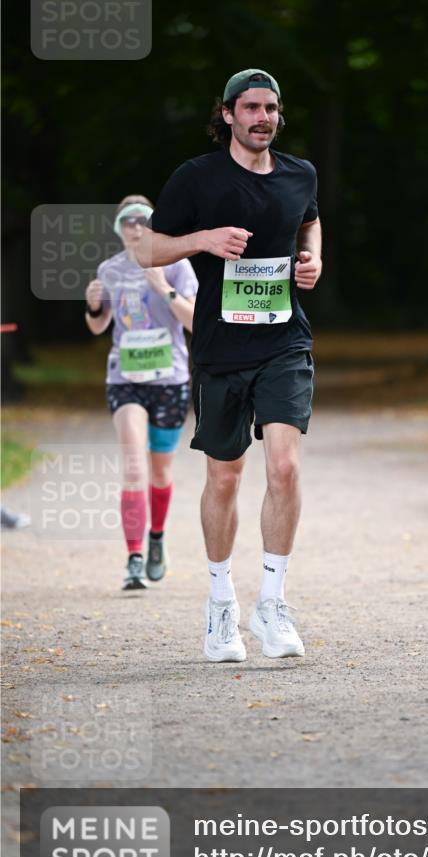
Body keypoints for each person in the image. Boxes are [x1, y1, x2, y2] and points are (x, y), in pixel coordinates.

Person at [136, 69, 322, 662]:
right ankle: (221, 605)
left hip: (284, 342)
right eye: (250, 107)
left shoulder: (299, 174)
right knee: (224, 476)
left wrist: (311, 260)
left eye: (271, 108)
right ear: (227, 115)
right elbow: (147, 247)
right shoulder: (197, 177)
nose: (262, 117)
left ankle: (272, 601)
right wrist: (203, 240)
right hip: (220, 349)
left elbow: (310, 221)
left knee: (285, 466)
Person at [85, 195, 198, 590]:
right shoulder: (110, 270)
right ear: (119, 229)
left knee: (160, 471)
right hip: (125, 378)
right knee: (133, 465)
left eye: (142, 220)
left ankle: (156, 537)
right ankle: (133, 557)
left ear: (152, 225)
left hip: (169, 380)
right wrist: (94, 306)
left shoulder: (178, 265)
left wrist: (164, 287)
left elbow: (196, 322)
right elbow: (98, 327)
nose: (134, 227)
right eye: (126, 221)